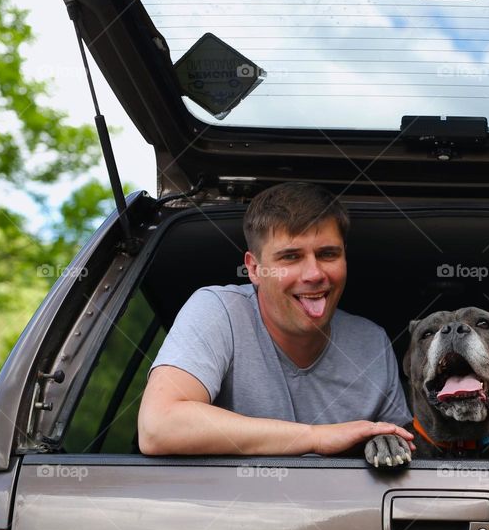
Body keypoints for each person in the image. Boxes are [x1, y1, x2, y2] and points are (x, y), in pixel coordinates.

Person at [138, 182, 414, 456]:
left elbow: (404, 455)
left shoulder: (372, 342)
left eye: (327, 254)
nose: (314, 274)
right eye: (291, 257)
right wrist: (316, 437)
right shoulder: (220, 311)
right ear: (255, 269)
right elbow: (158, 427)